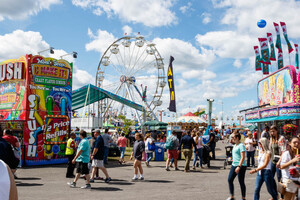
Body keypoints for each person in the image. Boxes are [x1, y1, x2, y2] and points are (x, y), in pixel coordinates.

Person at [226, 131, 247, 200]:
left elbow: (243, 157)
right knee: (230, 179)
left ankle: (243, 198)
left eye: (233, 137)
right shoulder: (234, 145)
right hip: (234, 165)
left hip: (241, 166)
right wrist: (233, 160)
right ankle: (232, 196)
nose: (232, 138)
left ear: (237, 138)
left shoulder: (241, 145)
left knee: (241, 181)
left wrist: (239, 166)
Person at [269, 125, 283, 196]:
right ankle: (275, 194)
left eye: (273, 131)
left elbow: (283, 151)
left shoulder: (281, 138)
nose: (272, 133)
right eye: (271, 132)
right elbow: (270, 150)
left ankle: (282, 196)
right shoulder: (271, 139)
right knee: (270, 177)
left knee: (279, 179)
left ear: (277, 131)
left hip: (279, 161)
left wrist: (279, 162)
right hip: (273, 161)